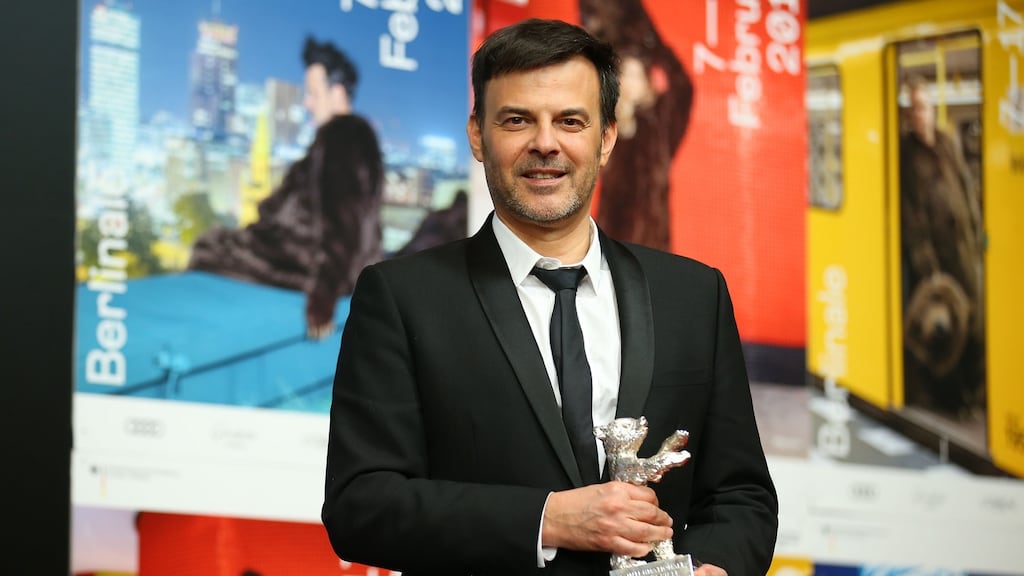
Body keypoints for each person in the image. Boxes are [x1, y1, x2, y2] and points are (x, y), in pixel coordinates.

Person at [322, 19, 777, 576]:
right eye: (516, 120)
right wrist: (548, 520)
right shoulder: (400, 298)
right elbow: (360, 506)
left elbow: (742, 496)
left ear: (606, 138)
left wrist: (717, 568)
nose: (545, 143)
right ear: (477, 135)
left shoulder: (693, 295)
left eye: (570, 121)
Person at [188, 36, 384, 340]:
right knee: (214, 245)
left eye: (313, 94)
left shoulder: (343, 136)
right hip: (310, 264)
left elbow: (343, 224)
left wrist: (322, 302)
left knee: (209, 247)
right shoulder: (351, 136)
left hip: (299, 265)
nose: (306, 103)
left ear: (338, 92)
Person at [899, 74, 986, 415]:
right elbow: (912, 216)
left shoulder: (948, 143)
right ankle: (951, 401)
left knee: (975, 324)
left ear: (933, 109)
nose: (918, 115)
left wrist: (978, 232)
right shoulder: (907, 155)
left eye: (922, 107)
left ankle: (974, 393)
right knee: (948, 332)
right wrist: (929, 268)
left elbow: (965, 189)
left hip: (965, 252)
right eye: (913, 109)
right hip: (938, 262)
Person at [579, 0, 694, 251]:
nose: (627, 82)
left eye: (634, 74)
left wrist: (653, 43)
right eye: (623, 75)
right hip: (609, 245)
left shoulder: (661, 124)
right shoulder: (604, 124)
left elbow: (683, 85)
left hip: (652, 246)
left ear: (647, 79)